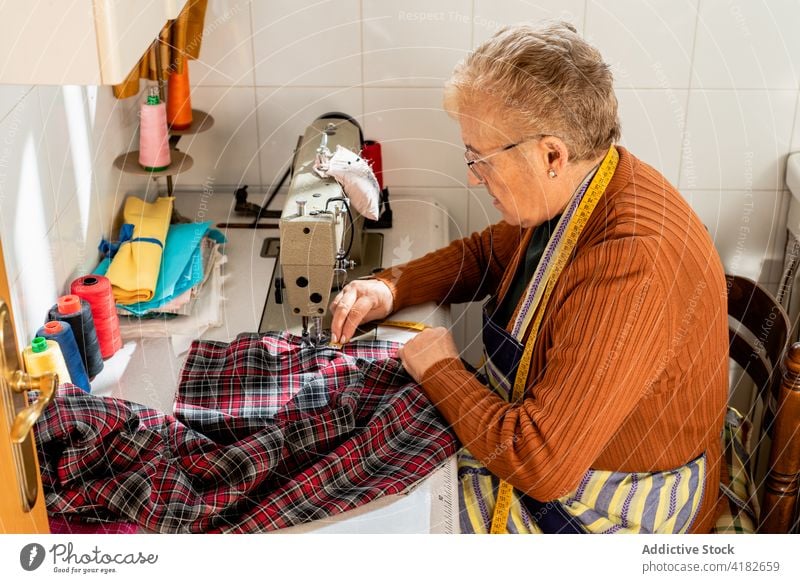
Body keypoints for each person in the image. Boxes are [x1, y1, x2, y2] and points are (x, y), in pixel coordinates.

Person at [330, 21, 727, 534]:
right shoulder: (585, 188)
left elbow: (540, 462)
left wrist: (441, 367)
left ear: (551, 155)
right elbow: (484, 256)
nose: (473, 175)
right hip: (560, 450)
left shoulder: (631, 263)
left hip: (607, 498)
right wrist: (390, 287)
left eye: (481, 158)